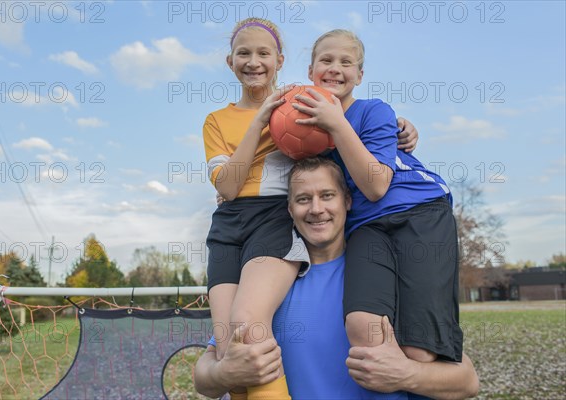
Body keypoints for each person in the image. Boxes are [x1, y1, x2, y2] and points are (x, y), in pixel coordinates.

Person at [202, 19, 419, 399]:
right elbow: (229, 186)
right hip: (229, 223)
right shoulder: (217, 120)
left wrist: (397, 127)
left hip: (272, 217)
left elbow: (343, 132)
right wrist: (258, 122)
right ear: (229, 60)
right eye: (244, 53)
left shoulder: (298, 102)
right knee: (228, 353)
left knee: (247, 322)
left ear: (280, 60)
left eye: (263, 53)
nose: (254, 61)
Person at [194, 157, 479, 399]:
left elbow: (467, 380)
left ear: (348, 201)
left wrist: (408, 375)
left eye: (327, 195)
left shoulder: (384, 276)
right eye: (303, 199)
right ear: (290, 210)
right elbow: (203, 376)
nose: (316, 209)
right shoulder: (265, 284)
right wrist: (223, 373)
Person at [293, 29, 463, 364]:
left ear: (359, 74)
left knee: (419, 350)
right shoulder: (299, 125)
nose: (335, 68)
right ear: (310, 70)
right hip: (365, 226)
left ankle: (430, 378)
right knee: (362, 328)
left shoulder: (374, 111)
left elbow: (375, 187)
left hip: (419, 212)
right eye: (326, 60)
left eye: (346, 62)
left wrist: (338, 124)